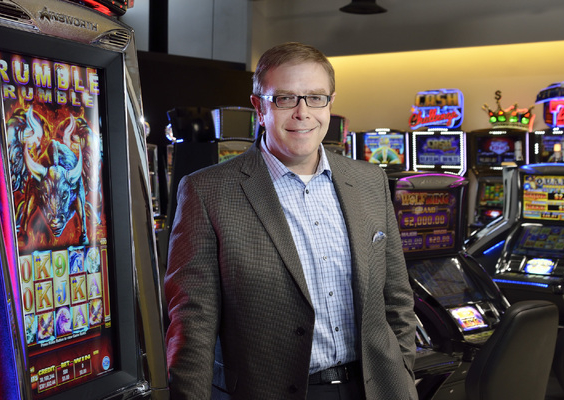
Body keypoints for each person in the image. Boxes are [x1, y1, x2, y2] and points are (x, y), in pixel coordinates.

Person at [165, 42, 418, 400]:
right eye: (285, 99)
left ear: (330, 103)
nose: (303, 113)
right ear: (259, 107)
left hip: (376, 388)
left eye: (315, 98)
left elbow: (397, 299)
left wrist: (403, 373)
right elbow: (193, 323)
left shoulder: (369, 180)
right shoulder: (207, 191)